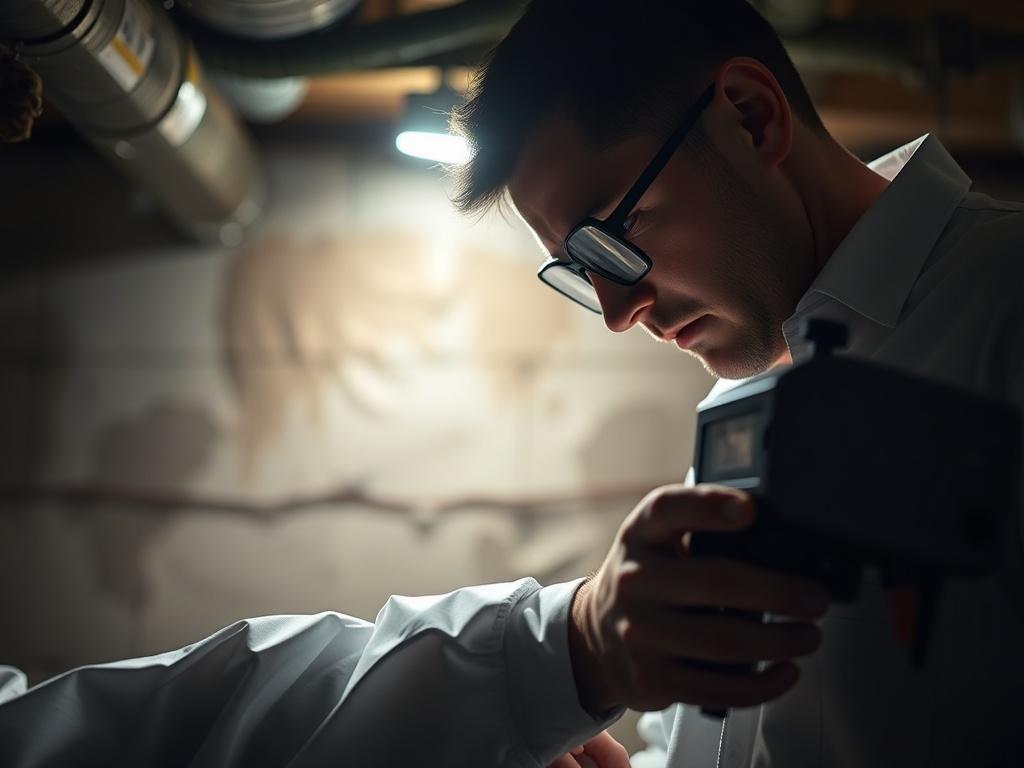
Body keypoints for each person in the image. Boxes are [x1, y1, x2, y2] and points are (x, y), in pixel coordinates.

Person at [2, 1, 1021, 766]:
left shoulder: (1001, 308)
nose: (622, 312)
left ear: (751, 118)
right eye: (582, 275)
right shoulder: (756, 397)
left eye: (609, 243)